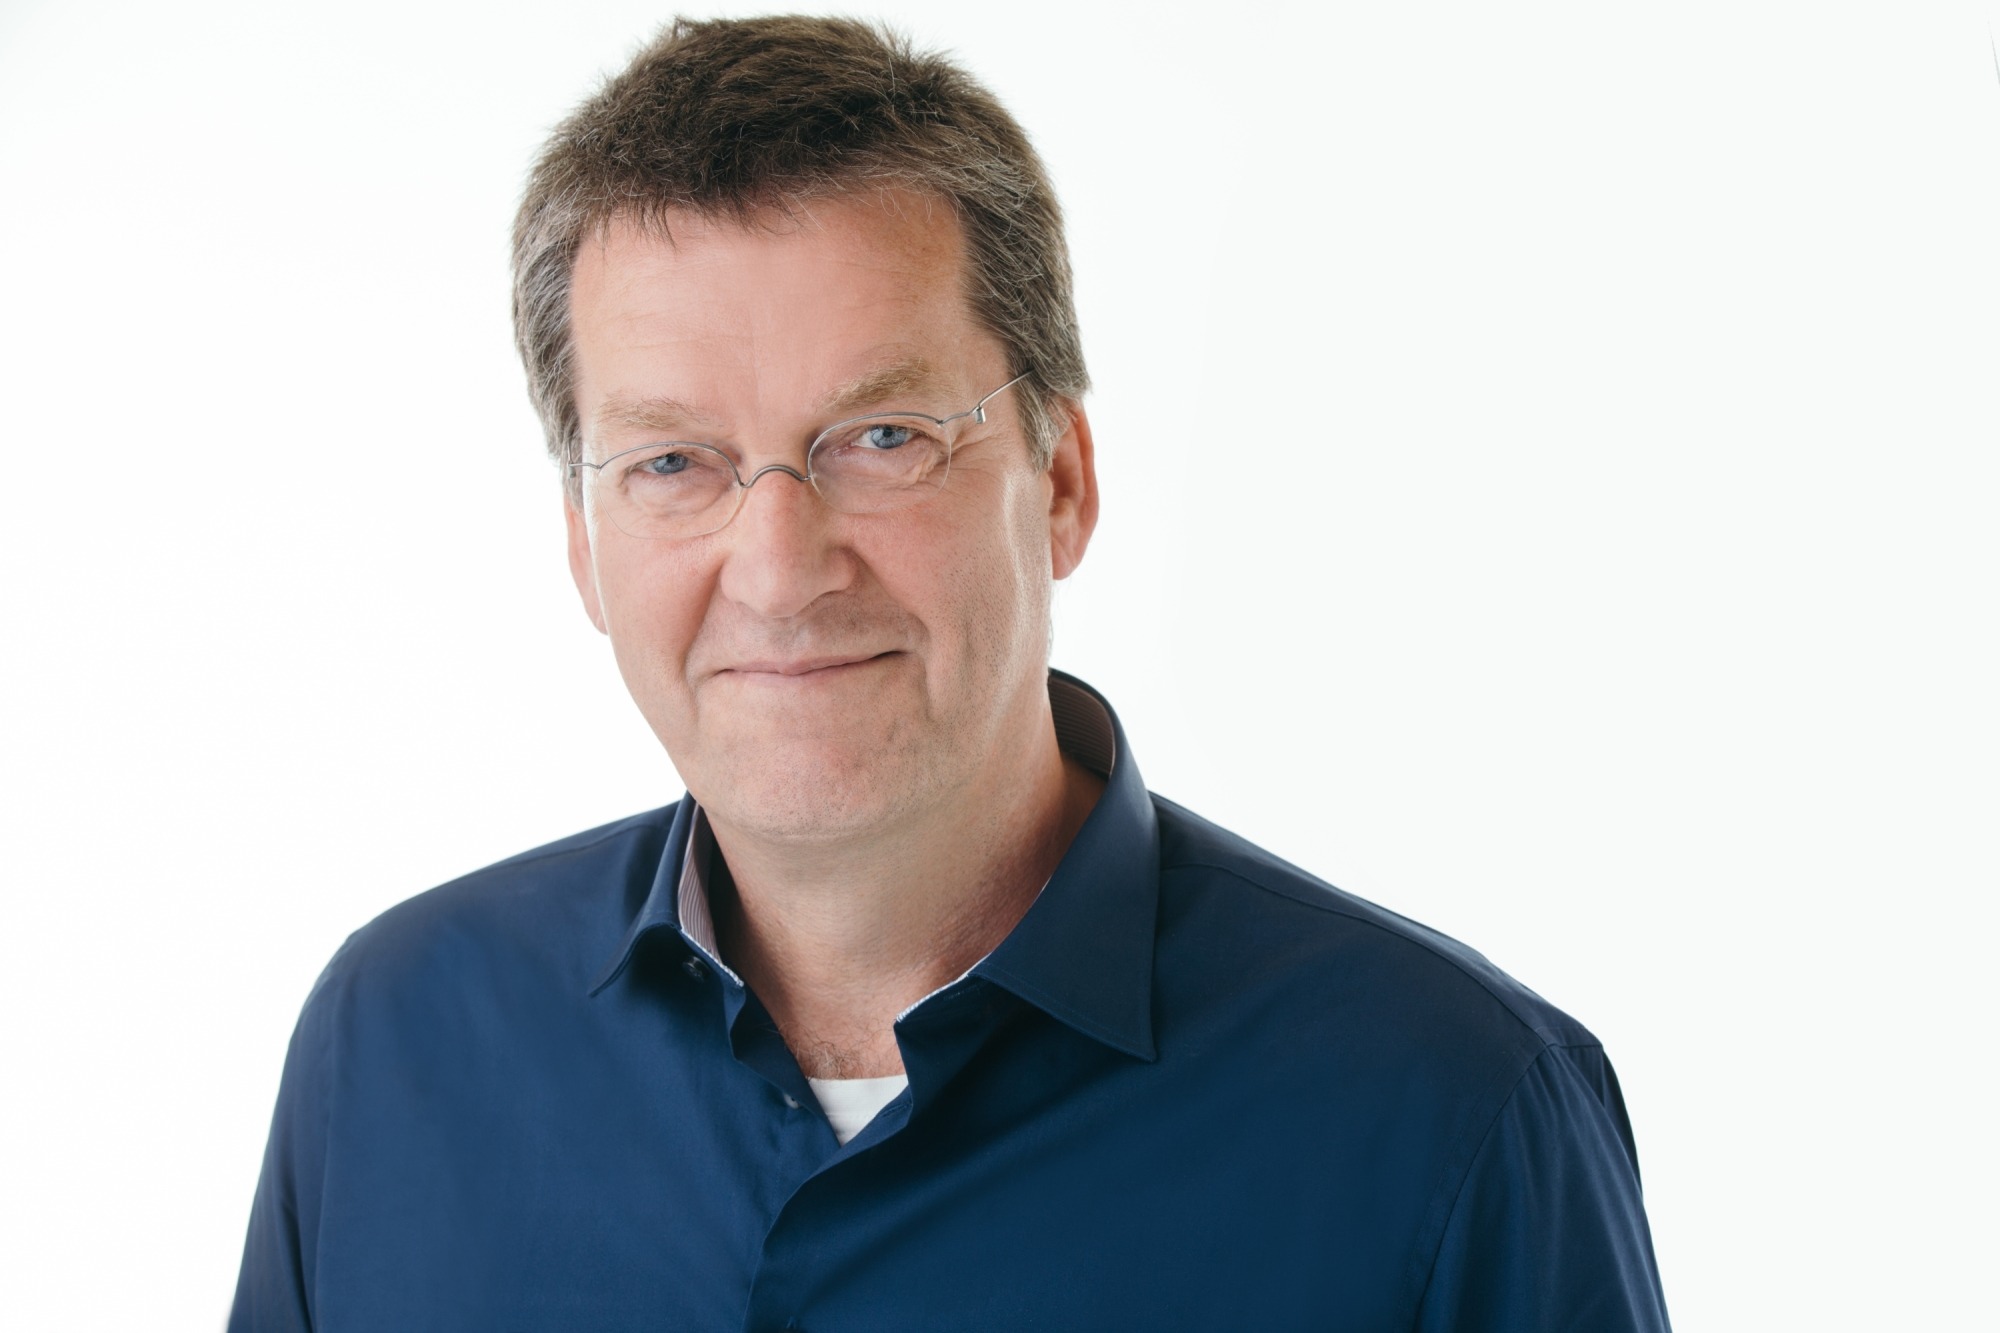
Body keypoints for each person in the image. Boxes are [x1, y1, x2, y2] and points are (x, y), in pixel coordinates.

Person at [230, 15, 1670, 1331]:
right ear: (583, 546)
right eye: (674, 462)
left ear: (1062, 483)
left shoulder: (1453, 1113)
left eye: (884, 438)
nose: (780, 567)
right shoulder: (393, 1050)